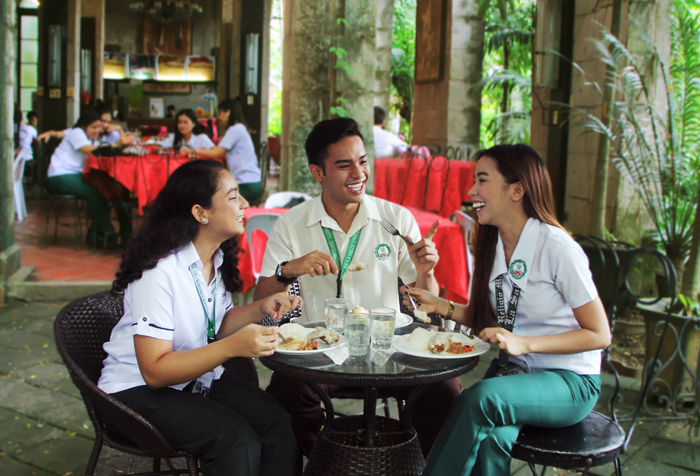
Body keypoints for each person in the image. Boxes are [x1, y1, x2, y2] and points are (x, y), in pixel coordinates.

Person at [253, 117, 461, 459]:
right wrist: (290, 269)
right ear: (318, 172)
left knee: (446, 391)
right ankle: (330, 459)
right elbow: (261, 303)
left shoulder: (394, 218)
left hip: (389, 349)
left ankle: (415, 464)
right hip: (321, 352)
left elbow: (425, 309)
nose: (359, 173)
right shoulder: (292, 223)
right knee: (286, 394)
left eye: (363, 161)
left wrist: (425, 273)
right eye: (344, 165)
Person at [402, 144, 611, 476]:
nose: (471, 191)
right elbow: (492, 322)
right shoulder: (493, 244)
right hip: (516, 377)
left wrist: (525, 344)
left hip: (569, 381)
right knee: (490, 437)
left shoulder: (558, 248)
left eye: (482, 180)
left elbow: (599, 334)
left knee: (480, 399)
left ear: (517, 190)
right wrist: (443, 306)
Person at [99, 159, 300, 476]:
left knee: (275, 419)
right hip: (135, 391)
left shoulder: (213, 260)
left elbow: (216, 326)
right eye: (233, 196)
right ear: (200, 213)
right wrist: (234, 347)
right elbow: (155, 372)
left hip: (191, 377)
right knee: (234, 438)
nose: (245, 204)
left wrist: (261, 308)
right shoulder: (159, 272)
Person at [44, 109, 134, 245]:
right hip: (58, 177)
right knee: (93, 191)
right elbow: (93, 151)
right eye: (93, 127)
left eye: (99, 127)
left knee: (103, 188)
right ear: (84, 125)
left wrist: (121, 144)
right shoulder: (76, 133)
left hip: (71, 176)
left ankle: (95, 234)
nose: (97, 130)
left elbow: (104, 151)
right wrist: (118, 144)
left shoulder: (89, 137)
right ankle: (107, 233)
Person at [194, 98, 262, 203]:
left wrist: (192, 150)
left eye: (220, 113)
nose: (219, 117)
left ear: (228, 112)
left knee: (211, 196)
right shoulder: (239, 128)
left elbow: (217, 153)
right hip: (251, 182)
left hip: (246, 184)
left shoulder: (235, 129)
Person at [38, 100, 130, 145]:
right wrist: (50, 133)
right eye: (103, 121)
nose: (106, 125)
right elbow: (60, 134)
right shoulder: (81, 132)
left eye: (108, 122)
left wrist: (119, 128)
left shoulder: (111, 134)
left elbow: (125, 144)